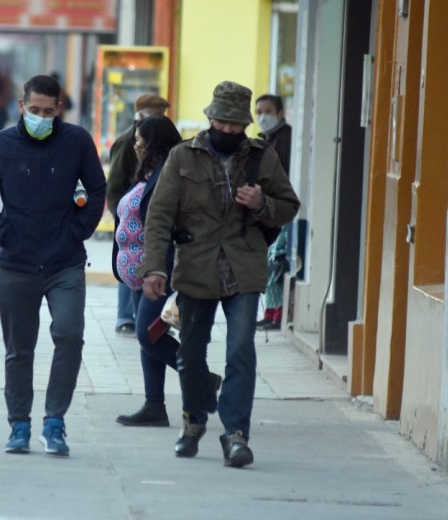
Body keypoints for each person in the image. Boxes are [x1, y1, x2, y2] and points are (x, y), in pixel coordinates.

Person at [138, 81, 299, 467]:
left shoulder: (262, 157)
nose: (228, 129)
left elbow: (288, 204)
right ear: (210, 118)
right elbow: (159, 216)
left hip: (244, 267)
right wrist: (154, 267)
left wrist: (261, 203)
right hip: (196, 266)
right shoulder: (182, 157)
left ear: (245, 124)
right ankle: (193, 422)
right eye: (222, 122)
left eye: (235, 123)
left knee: (241, 349)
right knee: (191, 351)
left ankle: (236, 434)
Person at [0, 74, 107, 457]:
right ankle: (20, 425)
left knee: (69, 336)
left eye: (48, 111)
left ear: (59, 108)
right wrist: (1, 232)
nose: (41, 117)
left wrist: (78, 230)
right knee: (19, 349)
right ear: (21, 106)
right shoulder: (0, 144)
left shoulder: (77, 141)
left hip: (65, 263)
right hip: (16, 263)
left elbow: (97, 190)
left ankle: (54, 422)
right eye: (34, 110)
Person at [112, 115, 223, 427]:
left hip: (160, 269)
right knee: (148, 337)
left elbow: (169, 221)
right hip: (140, 272)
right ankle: (154, 405)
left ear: (154, 143)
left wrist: (156, 267)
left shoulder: (170, 172)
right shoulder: (149, 171)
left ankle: (202, 379)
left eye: (140, 141)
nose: (136, 145)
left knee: (148, 334)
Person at [107, 94, 172, 335]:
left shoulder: (165, 148)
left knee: (148, 331)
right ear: (142, 112)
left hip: (148, 237)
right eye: (156, 112)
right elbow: (115, 183)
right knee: (129, 275)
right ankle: (125, 316)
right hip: (130, 224)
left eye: (162, 113)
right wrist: (123, 216)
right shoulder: (128, 142)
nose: (160, 116)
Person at [255, 94, 293, 331]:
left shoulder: (285, 139)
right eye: (258, 112)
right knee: (271, 262)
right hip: (269, 208)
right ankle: (270, 312)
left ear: (280, 113)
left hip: (281, 209)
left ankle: (277, 314)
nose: (262, 117)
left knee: (277, 261)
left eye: (267, 112)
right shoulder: (267, 140)